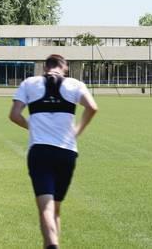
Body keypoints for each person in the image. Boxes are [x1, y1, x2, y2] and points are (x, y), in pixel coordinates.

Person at [9, 54, 98, 249]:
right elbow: (92, 107)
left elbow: (14, 115)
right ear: (64, 68)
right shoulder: (75, 84)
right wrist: (77, 131)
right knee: (56, 209)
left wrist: (30, 125)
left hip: (40, 153)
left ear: (44, 68)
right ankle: (52, 244)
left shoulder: (29, 83)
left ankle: (52, 245)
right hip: (67, 152)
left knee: (46, 208)